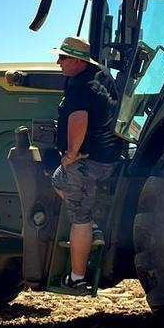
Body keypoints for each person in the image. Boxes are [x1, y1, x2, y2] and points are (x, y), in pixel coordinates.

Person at [49, 36, 122, 293]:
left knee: (79, 215)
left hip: (88, 162)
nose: (58, 63)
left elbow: (78, 120)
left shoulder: (80, 85)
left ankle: (77, 279)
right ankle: (93, 228)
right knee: (58, 180)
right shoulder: (101, 75)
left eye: (63, 58)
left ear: (78, 61)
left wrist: (70, 154)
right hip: (108, 155)